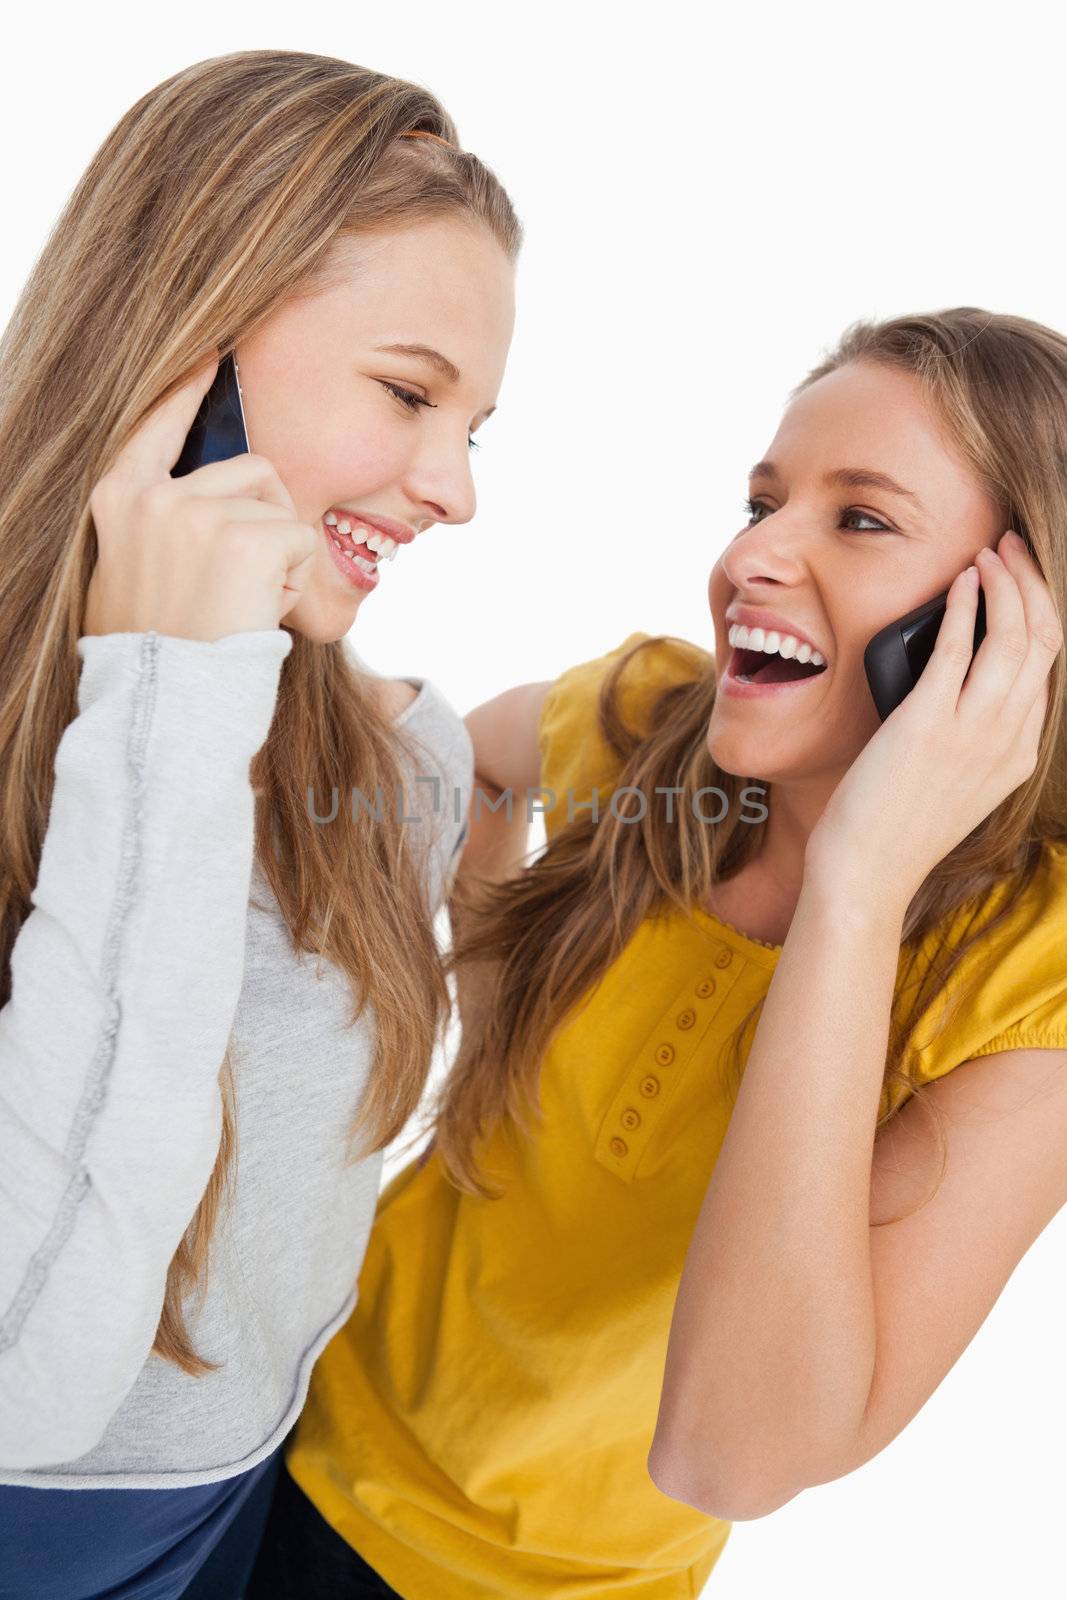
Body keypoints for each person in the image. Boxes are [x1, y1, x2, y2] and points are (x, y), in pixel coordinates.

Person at [251, 308, 1067, 1600]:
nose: (753, 555)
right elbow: (459, 763)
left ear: (1015, 625)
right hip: (283, 1434)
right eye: (761, 500)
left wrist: (857, 884)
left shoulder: (1032, 982)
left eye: (860, 520)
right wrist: (483, 996)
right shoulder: (645, 725)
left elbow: (729, 1458)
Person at [0, 47, 518, 1600]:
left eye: (477, 425)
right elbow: (30, 1365)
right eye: (410, 392)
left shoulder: (397, 760)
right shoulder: (151, 724)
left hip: (245, 1496)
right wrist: (162, 692)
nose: (454, 488)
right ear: (189, 354)